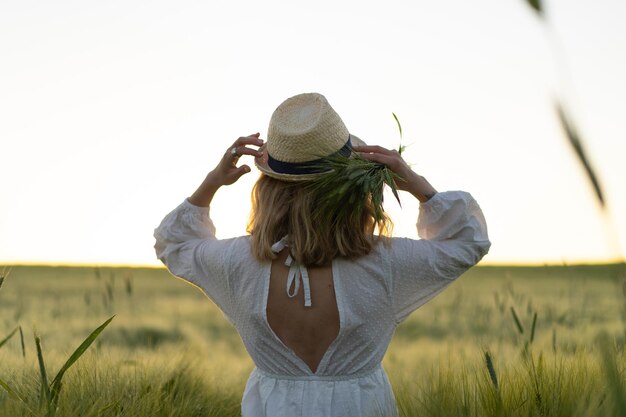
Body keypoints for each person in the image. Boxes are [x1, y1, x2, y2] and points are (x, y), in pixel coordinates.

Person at [154, 92, 490, 417]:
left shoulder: (237, 263)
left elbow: (175, 242)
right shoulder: (385, 263)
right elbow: (466, 241)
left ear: (269, 188)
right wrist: (414, 182)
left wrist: (212, 182)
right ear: (356, 184)